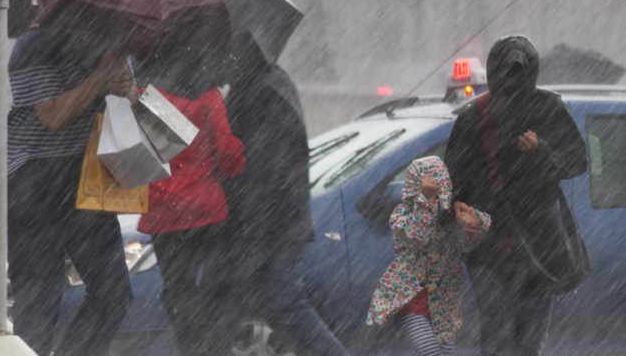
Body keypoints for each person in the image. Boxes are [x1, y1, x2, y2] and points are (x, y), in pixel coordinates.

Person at [195, 32, 351, 356]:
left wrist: (242, 230)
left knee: (224, 294)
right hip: (274, 224)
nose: (217, 62)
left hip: (263, 226)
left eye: (221, 53)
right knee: (275, 303)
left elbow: (258, 170)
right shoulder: (269, 84)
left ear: (239, 53)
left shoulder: (259, 93)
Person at [444, 35, 588, 356]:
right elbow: (453, 176)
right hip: (487, 247)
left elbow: (577, 161)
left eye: (518, 73)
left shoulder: (548, 109)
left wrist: (541, 151)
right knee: (497, 335)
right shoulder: (474, 117)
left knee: (528, 340)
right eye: (506, 72)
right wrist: (456, 208)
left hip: (536, 243)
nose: (512, 82)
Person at [7, 26, 134, 356]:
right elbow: (53, 115)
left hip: (84, 175)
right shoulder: (36, 43)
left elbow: (119, 100)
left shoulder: (109, 42)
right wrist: (103, 73)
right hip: (33, 180)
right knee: (40, 299)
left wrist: (123, 89)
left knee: (114, 291)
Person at [135, 47, 247, 356]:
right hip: (206, 211)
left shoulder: (147, 96)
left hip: (163, 214)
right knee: (217, 287)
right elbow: (229, 157)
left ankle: (192, 346)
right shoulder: (208, 97)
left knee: (178, 288)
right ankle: (213, 345)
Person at [366, 156, 491, 356]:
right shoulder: (402, 214)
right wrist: (425, 201)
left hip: (444, 303)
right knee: (430, 352)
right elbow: (417, 236)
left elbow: (468, 244)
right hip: (411, 301)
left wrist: (474, 221)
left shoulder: (451, 219)